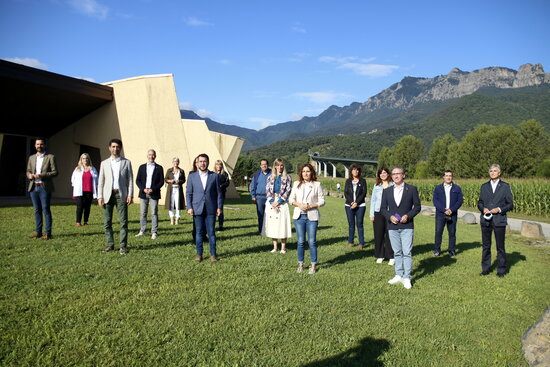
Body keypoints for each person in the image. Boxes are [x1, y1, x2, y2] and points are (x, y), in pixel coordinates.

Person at [380, 166, 421, 289]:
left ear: (403, 175)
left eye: (398, 173)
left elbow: (417, 207)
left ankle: (407, 277)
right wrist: (390, 217)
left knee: (407, 252)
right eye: (393, 174)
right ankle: (398, 274)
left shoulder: (412, 189)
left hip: (407, 226)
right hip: (392, 226)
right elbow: (382, 208)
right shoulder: (387, 191)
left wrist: (408, 216)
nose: (396, 176)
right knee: (397, 252)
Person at [98, 138, 134, 254]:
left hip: (121, 195)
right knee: (107, 222)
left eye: (117, 146)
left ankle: (123, 246)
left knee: (123, 222)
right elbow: (101, 181)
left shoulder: (126, 162)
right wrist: (100, 196)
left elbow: (130, 180)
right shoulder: (104, 163)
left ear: (120, 148)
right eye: (113, 146)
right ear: (109, 148)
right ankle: (110, 245)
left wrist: (130, 195)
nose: (115, 149)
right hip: (108, 195)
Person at [477, 164, 514, 278]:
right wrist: (483, 208)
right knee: (486, 246)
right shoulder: (484, 186)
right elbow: (480, 202)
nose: (492, 173)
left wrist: (498, 209)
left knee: (500, 247)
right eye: (491, 171)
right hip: (486, 220)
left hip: (499, 220)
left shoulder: (505, 187)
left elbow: (510, 204)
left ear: (499, 173)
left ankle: (501, 270)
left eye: (495, 171)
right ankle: (485, 269)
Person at [186, 153, 223, 262]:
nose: (202, 163)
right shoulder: (192, 176)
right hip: (197, 208)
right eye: (200, 161)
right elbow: (189, 193)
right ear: (197, 163)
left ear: (208, 162)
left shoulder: (214, 176)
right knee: (198, 232)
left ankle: (213, 254)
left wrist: (219, 207)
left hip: (211, 208)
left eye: (204, 161)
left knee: (211, 233)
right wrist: (189, 207)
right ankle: (199, 254)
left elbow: (219, 193)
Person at [289, 163, 325, 274]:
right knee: (300, 241)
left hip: (312, 216)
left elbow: (322, 201)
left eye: (308, 171)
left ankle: (313, 265)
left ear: (311, 173)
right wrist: (299, 205)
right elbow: (291, 199)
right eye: (304, 171)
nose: (305, 173)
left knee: (312, 241)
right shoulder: (296, 184)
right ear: (301, 173)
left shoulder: (317, 185)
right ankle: (301, 264)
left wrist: (310, 206)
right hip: (299, 216)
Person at [26, 137, 58, 240]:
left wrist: (41, 175)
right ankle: (38, 232)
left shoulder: (50, 157)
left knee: (45, 209)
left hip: (44, 187)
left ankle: (48, 233)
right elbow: (28, 170)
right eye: (37, 144)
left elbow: (55, 172)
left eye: (41, 144)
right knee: (37, 210)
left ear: (45, 145)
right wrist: (29, 175)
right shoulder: (31, 158)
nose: (39, 146)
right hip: (33, 187)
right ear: (35, 145)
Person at [263, 158, 292, 253]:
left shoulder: (287, 177)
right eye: (278, 165)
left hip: (282, 202)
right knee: (273, 224)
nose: (280, 167)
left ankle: (283, 247)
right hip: (271, 201)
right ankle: (275, 247)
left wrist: (279, 202)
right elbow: (267, 190)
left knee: (283, 223)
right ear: (275, 166)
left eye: (281, 165)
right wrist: (272, 202)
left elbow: (287, 191)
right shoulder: (270, 177)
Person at [432, 170, 464, 257]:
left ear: (452, 177)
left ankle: (452, 250)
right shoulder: (438, 188)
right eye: (446, 175)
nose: (448, 177)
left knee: (452, 233)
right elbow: (435, 201)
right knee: (438, 232)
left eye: (450, 176)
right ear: (443, 177)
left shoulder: (457, 188)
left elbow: (459, 201)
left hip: (452, 214)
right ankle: (437, 250)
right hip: (440, 214)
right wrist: (443, 209)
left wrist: (452, 210)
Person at [135, 149, 164, 239]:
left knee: (154, 213)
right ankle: (142, 230)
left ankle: (154, 232)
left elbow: (161, 181)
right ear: (147, 156)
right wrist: (143, 189)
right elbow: (138, 180)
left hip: (154, 193)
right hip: (143, 193)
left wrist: (153, 189)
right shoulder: (142, 167)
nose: (151, 156)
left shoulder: (159, 168)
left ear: (155, 156)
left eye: (153, 155)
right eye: (150, 155)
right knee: (143, 213)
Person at [370, 167, 394, 264]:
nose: (383, 174)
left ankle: (391, 256)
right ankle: (380, 255)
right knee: (378, 234)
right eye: (381, 173)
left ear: (388, 174)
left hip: (389, 212)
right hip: (378, 212)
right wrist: (372, 214)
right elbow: (373, 200)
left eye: (384, 173)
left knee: (390, 234)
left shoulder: (393, 185)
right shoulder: (377, 186)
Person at [71, 153, 98, 226]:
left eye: (86, 158)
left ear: (89, 159)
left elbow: (96, 179)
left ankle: (85, 221)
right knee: (80, 206)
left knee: (87, 207)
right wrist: (75, 186)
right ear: (81, 160)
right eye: (83, 158)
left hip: (89, 191)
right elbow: (73, 179)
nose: (85, 160)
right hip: (79, 191)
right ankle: (78, 222)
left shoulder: (93, 169)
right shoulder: (77, 169)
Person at [344, 164, 367, 249]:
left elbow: (364, 193)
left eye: (357, 170)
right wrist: (351, 202)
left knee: (359, 224)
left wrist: (356, 203)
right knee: (351, 224)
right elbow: (346, 193)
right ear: (351, 171)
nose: (355, 171)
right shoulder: (348, 181)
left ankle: (361, 243)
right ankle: (351, 241)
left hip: (360, 206)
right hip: (349, 205)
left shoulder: (363, 181)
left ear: (359, 171)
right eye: (354, 170)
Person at [250, 159, 272, 234]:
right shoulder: (257, 175)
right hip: (259, 198)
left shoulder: (272, 174)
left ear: (267, 165)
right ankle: (261, 231)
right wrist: (253, 196)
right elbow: (252, 186)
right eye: (262, 164)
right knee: (260, 215)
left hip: (270, 198)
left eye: (265, 164)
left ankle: (270, 231)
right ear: (260, 166)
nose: (264, 166)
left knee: (270, 215)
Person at [164, 157, 186, 225]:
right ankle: (171, 218)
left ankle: (177, 218)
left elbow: (184, 180)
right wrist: (170, 181)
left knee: (178, 203)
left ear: (178, 162)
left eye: (177, 161)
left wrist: (179, 181)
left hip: (178, 189)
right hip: (171, 189)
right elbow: (165, 179)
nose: (175, 163)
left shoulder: (181, 171)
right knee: (170, 203)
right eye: (174, 161)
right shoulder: (169, 170)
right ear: (172, 162)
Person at [214, 160, 230, 231]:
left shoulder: (225, 174)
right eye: (217, 165)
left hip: (221, 193)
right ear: (215, 165)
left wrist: (221, 186)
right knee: (213, 209)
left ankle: (221, 225)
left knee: (220, 209)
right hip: (213, 194)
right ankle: (212, 225)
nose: (219, 166)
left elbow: (227, 183)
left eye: (220, 165)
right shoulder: (212, 174)